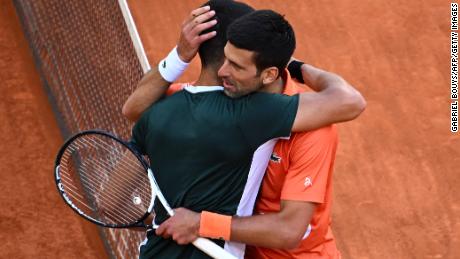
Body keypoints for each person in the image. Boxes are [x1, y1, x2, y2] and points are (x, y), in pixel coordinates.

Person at [123, 2, 365, 259]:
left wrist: (201, 223)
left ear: (269, 74)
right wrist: (180, 54)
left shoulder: (312, 130)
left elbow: (289, 229)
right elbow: (135, 109)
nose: (222, 70)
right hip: (237, 249)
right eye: (226, 58)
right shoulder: (221, 100)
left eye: (237, 65)